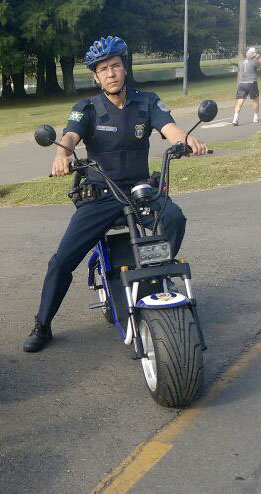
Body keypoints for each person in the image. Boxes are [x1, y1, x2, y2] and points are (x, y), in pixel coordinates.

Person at [23, 35, 208, 353]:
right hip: (101, 193)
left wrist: (185, 141)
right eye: (103, 69)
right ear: (95, 76)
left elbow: (170, 128)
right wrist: (62, 155)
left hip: (140, 191)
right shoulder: (87, 108)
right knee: (61, 261)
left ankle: (155, 275)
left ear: (125, 68)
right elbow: (70, 135)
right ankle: (43, 323)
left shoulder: (147, 101)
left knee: (174, 218)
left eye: (115, 66)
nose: (110, 73)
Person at [232, 48, 261, 126]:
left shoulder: (241, 62)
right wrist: (259, 58)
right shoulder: (254, 62)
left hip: (242, 83)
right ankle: (256, 117)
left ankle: (235, 119)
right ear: (254, 54)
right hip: (251, 83)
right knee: (255, 100)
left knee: (240, 102)